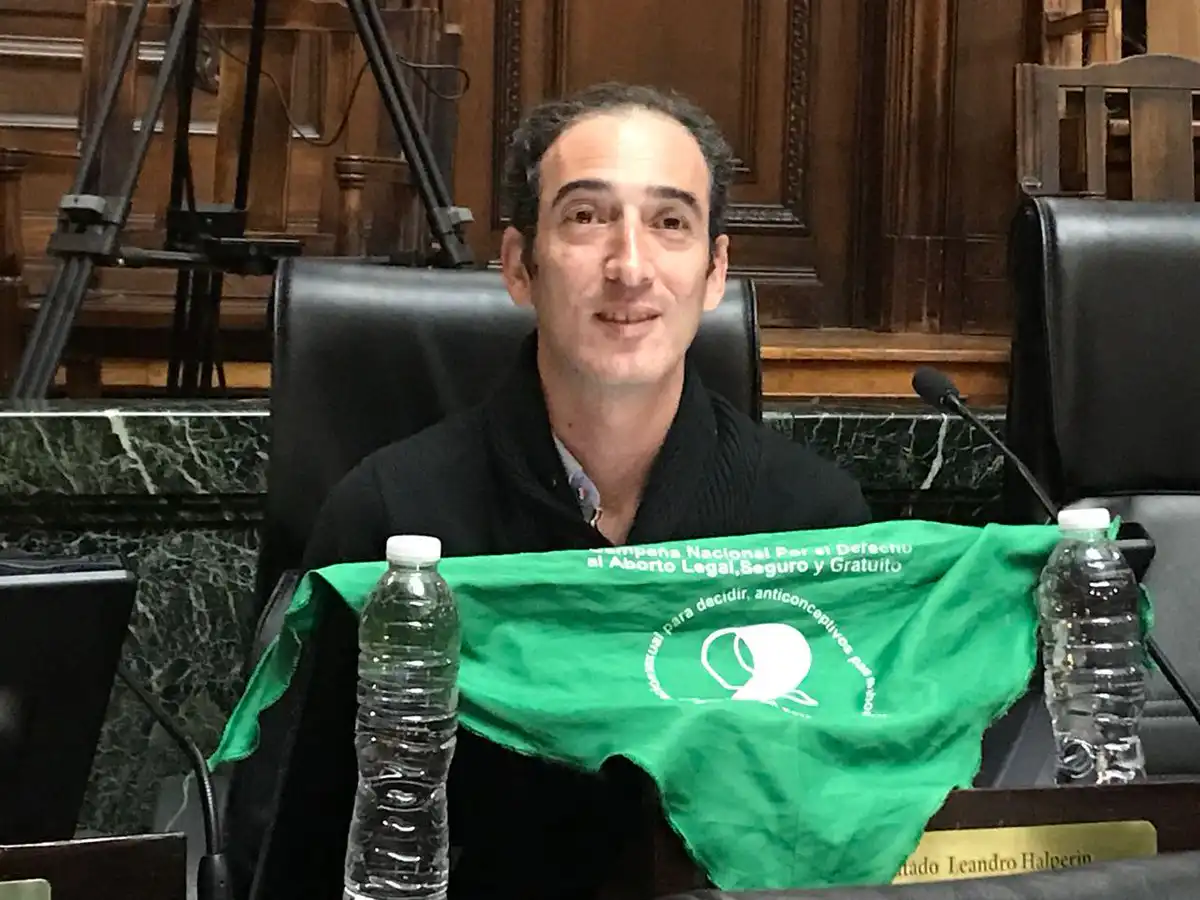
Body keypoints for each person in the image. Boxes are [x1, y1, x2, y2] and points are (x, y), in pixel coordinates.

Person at [227, 82, 869, 900]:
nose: (629, 267)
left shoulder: (809, 525)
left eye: (670, 223)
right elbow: (297, 852)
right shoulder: (390, 518)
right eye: (586, 218)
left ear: (714, 272)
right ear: (517, 266)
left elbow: (836, 843)